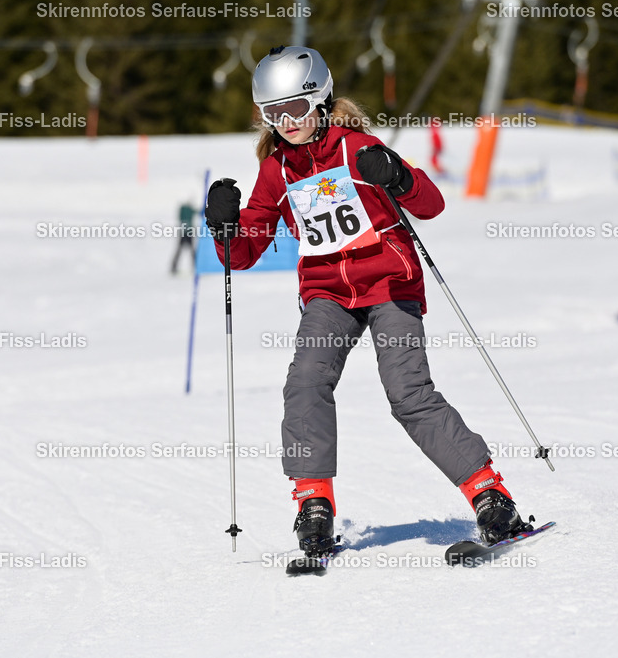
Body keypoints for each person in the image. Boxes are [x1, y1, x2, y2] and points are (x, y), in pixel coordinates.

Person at [204, 46, 533, 558]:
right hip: (327, 294)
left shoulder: (357, 148)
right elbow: (243, 254)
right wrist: (224, 227)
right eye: (273, 113)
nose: (286, 123)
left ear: (320, 100)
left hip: (389, 285)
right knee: (305, 383)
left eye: (295, 108)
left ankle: (490, 495)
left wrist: (397, 175)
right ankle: (313, 504)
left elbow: (431, 204)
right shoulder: (277, 171)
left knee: (409, 394)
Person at [169, 201, 197, 275]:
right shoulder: (186, 210)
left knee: (188, 251)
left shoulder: (186, 210)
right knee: (187, 251)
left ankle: (174, 266)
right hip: (185, 233)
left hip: (186, 232)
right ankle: (196, 266)